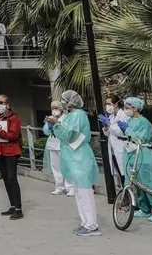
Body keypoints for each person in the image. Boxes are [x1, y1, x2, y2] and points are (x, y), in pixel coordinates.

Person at [52, 90, 100, 237]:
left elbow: (70, 135)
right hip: (73, 158)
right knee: (79, 193)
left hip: (80, 158)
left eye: (64, 100)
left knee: (85, 193)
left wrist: (57, 126)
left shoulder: (78, 115)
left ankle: (92, 225)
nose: (62, 103)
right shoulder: (70, 116)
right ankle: (85, 222)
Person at [119, 97, 152, 223]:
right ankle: (144, 209)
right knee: (137, 183)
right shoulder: (129, 120)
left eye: (127, 107)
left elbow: (142, 139)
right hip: (132, 155)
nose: (126, 110)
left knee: (149, 184)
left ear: (135, 108)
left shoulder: (144, 122)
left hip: (144, 155)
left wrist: (128, 130)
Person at [0, 94, 23, 219]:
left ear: (7, 105)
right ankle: (13, 205)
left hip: (11, 151)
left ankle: (19, 208)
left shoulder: (13, 118)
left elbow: (13, 135)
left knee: (12, 178)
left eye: (1, 102)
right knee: (5, 179)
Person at [43, 100, 74, 196]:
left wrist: (57, 124)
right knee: (56, 167)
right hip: (52, 145)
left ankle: (71, 187)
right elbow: (46, 132)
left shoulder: (66, 118)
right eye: (52, 108)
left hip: (63, 145)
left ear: (61, 108)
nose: (54, 110)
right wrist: (48, 125)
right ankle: (59, 187)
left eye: (56, 108)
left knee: (67, 167)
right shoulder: (50, 118)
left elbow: (67, 131)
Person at [99, 94, 130, 179]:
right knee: (120, 174)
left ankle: (129, 191)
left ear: (116, 104)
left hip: (122, 148)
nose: (107, 106)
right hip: (113, 149)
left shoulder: (123, 115)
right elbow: (108, 134)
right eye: (106, 104)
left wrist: (109, 124)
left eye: (109, 104)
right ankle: (125, 191)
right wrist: (105, 126)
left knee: (125, 174)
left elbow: (121, 133)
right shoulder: (111, 116)